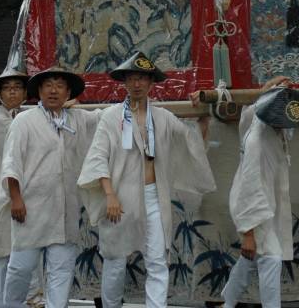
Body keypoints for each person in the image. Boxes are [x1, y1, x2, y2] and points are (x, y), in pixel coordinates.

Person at [77, 52, 216, 308]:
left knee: (157, 260)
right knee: (116, 259)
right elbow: (98, 158)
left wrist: (203, 116)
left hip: (154, 196)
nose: (137, 84)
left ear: (152, 83)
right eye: (132, 78)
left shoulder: (163, 117)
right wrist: (109, 194)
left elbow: (190, 140)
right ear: (125, 82)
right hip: (120, 196)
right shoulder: (111, 116)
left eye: (142, 78)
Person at [0, 66, 100, 308]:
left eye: (59, 86)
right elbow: (11, 161)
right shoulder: (24, 120)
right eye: (48, 85)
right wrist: (15, 198)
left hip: (65, 209)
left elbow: (105, 118)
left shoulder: (77, 119)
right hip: (31, 207)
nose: (53, 90)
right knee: (21, 268)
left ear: (68, 92)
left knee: (61, 271)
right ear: (39, 90)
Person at [222, 79, 299, 308]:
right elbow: (249, 185)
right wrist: (249, 232)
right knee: (271, 258)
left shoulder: (265, 126)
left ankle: (228, 302)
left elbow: (256, 105)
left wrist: (276, 85)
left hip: (266, 206)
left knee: (250, 258)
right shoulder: (257, 141)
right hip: (253, 209)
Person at [0, 68, 41, 308]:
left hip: (26, 193)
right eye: (7, 88)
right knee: (1, 255)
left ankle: (24, 299)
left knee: (26, 255)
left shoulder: (30, 115)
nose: (13, 91)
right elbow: (18, 137)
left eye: (17, 87)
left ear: (26, 92)